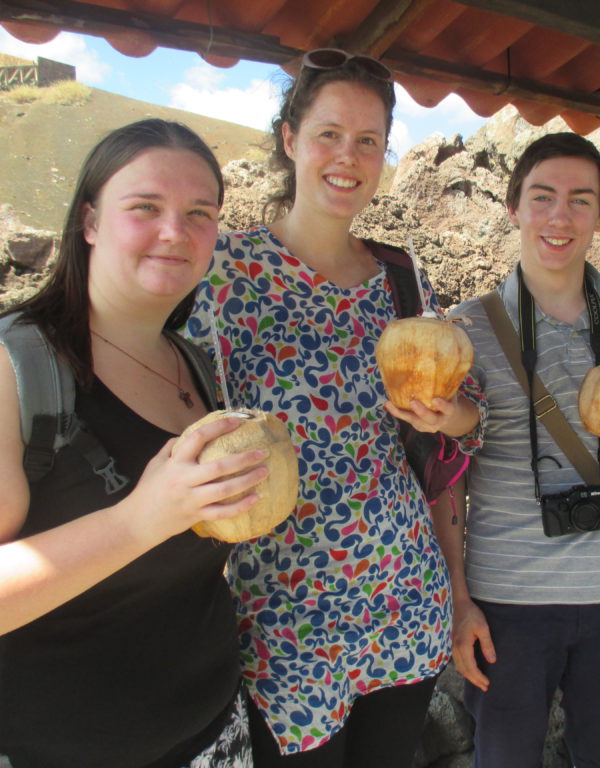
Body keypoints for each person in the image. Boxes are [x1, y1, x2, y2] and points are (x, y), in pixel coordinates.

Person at [0, 119, 265, 768]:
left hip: (212, 732)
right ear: (90, 222)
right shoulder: (10, 368)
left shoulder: (194, 363)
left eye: (199, 213)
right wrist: (137, 520)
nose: (174, 231)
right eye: (145, 207)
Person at [185, 49, 485, 767]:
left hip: (405, 599)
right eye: (328, 134)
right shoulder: (223, 273)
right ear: (290, 139)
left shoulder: (403, 277)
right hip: (283, 621)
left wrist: (456, 421)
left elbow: (460, 443)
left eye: (368, 141)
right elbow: (174, 427)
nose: (347, 158)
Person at [443, 132, 600, 767]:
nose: (560, 217)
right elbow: (448, 481)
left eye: (581, 201)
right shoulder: (465, 328)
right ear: (513, 208)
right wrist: (459, 601)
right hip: (507, 605)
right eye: (542, 197)